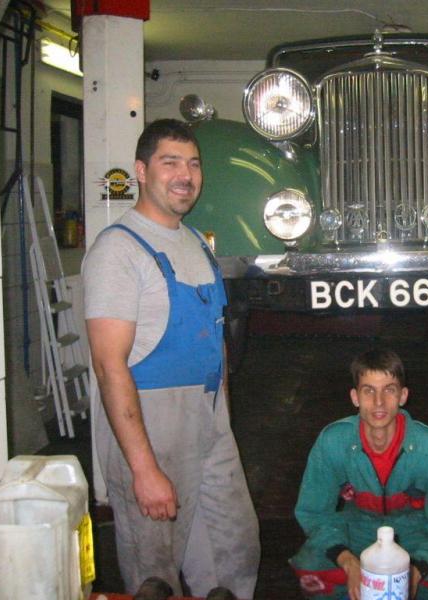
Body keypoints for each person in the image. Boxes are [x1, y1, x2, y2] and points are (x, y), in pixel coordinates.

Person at [83, 119, 260, 598]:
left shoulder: (197, 243)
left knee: (234, 552)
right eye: (171, 163)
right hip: (149, 424)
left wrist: (222, 420)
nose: (185, 175)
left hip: (209, 420)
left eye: (193, 164)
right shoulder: (118, 250)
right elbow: (109, 367)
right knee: (155, 572)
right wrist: (143, 469)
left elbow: (216, 340)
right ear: (141, 171)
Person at [291, 349, 428, 600]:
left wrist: (416, 571)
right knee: (311, 570)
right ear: (355, 397)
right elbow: (314, 513)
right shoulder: (333, 442)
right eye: (368, 390)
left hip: (413, 532)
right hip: (354, 529)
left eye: (389, 390)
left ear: (403, 396)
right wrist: (348, 561)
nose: (379, 402)